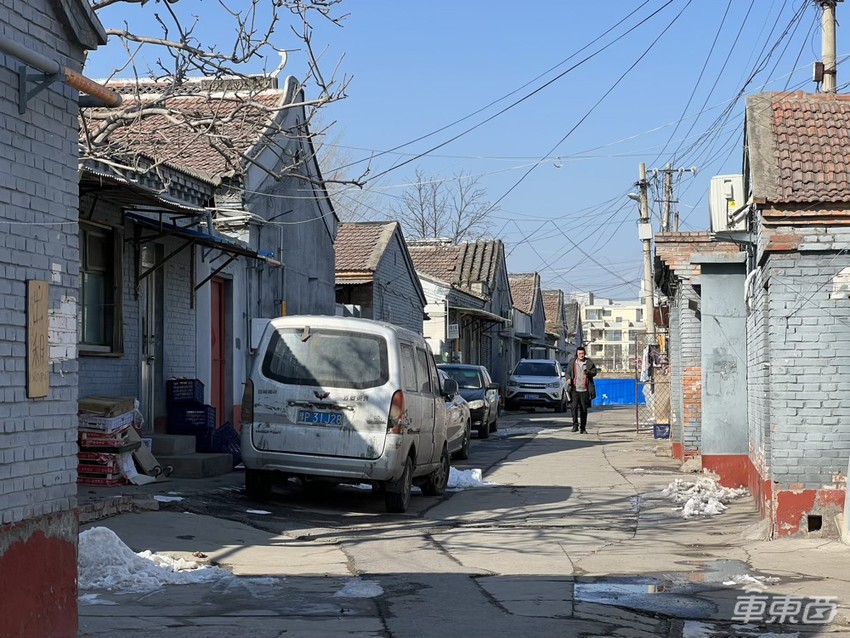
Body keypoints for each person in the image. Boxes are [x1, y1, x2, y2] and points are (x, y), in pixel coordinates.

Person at [567, 346, 597, 433]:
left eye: (583, 353)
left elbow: (594, 372)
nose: (581, 355)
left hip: (584, 390)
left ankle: (583, 428)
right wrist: (568, 378)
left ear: (585, 354)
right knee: (574, 408)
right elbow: (567, 372)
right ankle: (575, 425)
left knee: (584, 409)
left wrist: (589, 372)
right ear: (577, 354)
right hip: (574, 389)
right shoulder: (572, 362)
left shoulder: (589, 362)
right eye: (580, 353)